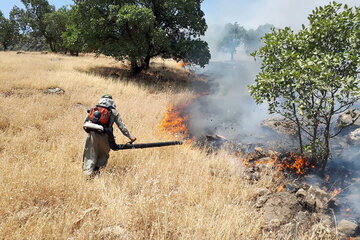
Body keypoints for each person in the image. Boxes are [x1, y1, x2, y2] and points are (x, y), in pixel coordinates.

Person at [82, 94, 136, 177]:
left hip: (91, 135)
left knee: (90, 154)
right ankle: (96, 172)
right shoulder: (113, 112)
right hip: (105, 136)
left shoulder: (94, 109)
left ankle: (88, 175)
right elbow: (121, 126)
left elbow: (85, 121)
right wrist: (130, 137)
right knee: (103, 155)